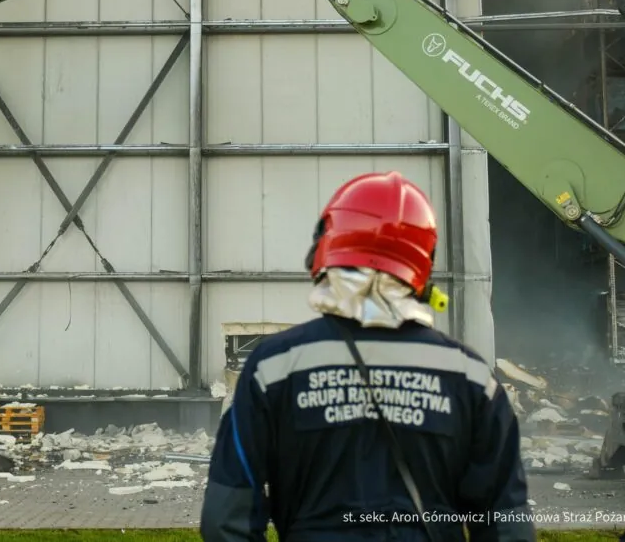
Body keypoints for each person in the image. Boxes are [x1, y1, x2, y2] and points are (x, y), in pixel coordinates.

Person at [200, 171, 535, 542]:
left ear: (326, 247)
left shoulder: (273, 368)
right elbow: (506, 525)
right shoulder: (472, 379)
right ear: (422, 264)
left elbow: (225, 519)